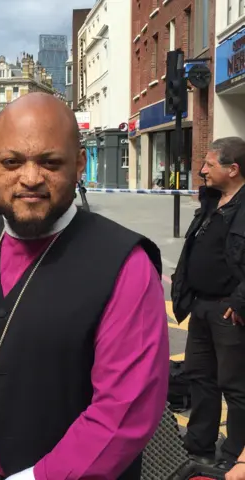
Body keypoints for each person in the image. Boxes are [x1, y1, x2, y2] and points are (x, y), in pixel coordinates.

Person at [0, 93, 169, 480]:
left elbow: (125, 411)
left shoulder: (125, 265)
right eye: (12, 162)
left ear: (78, 165)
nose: (31, 178)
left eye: (50, 162)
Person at [171, 137, 245, 468]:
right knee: (200, 377)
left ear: (233, 169)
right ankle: (199, 443)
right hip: (200, 305)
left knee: (235, 386)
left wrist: (240, 301)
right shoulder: (212, 201)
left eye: (209, 164)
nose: (202, 170)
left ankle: (234, 455)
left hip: (229, 311)